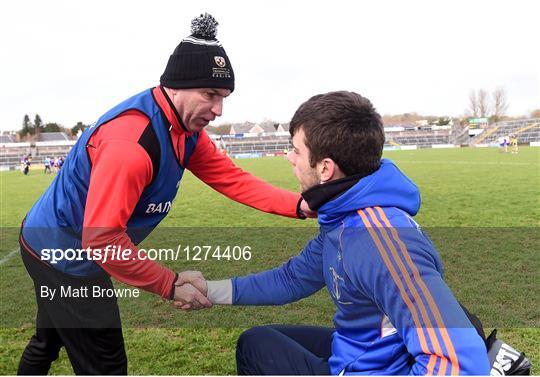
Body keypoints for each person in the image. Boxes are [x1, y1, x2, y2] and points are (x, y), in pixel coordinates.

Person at [18, 13, 313, 375]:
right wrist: (170, 285)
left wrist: (298, 205)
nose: (219, 110)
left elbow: (230, 179)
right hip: (64, 254)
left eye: (224, 97)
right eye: (210, 95)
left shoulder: (185, 130)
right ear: (175, 86)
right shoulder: (131, 144)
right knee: (105, 362)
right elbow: (102, 240)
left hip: (52, 240)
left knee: (48, 338)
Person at [182, 91, 493, 375]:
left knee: (256, 347)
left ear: (326, 169)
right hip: (363, 349)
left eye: (296, 150)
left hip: (372, 367)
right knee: (258, 341)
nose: (289, 158)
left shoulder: (378, 240)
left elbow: (459, 363)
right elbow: (291, 279)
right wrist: (209, 290)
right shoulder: (344, 217)